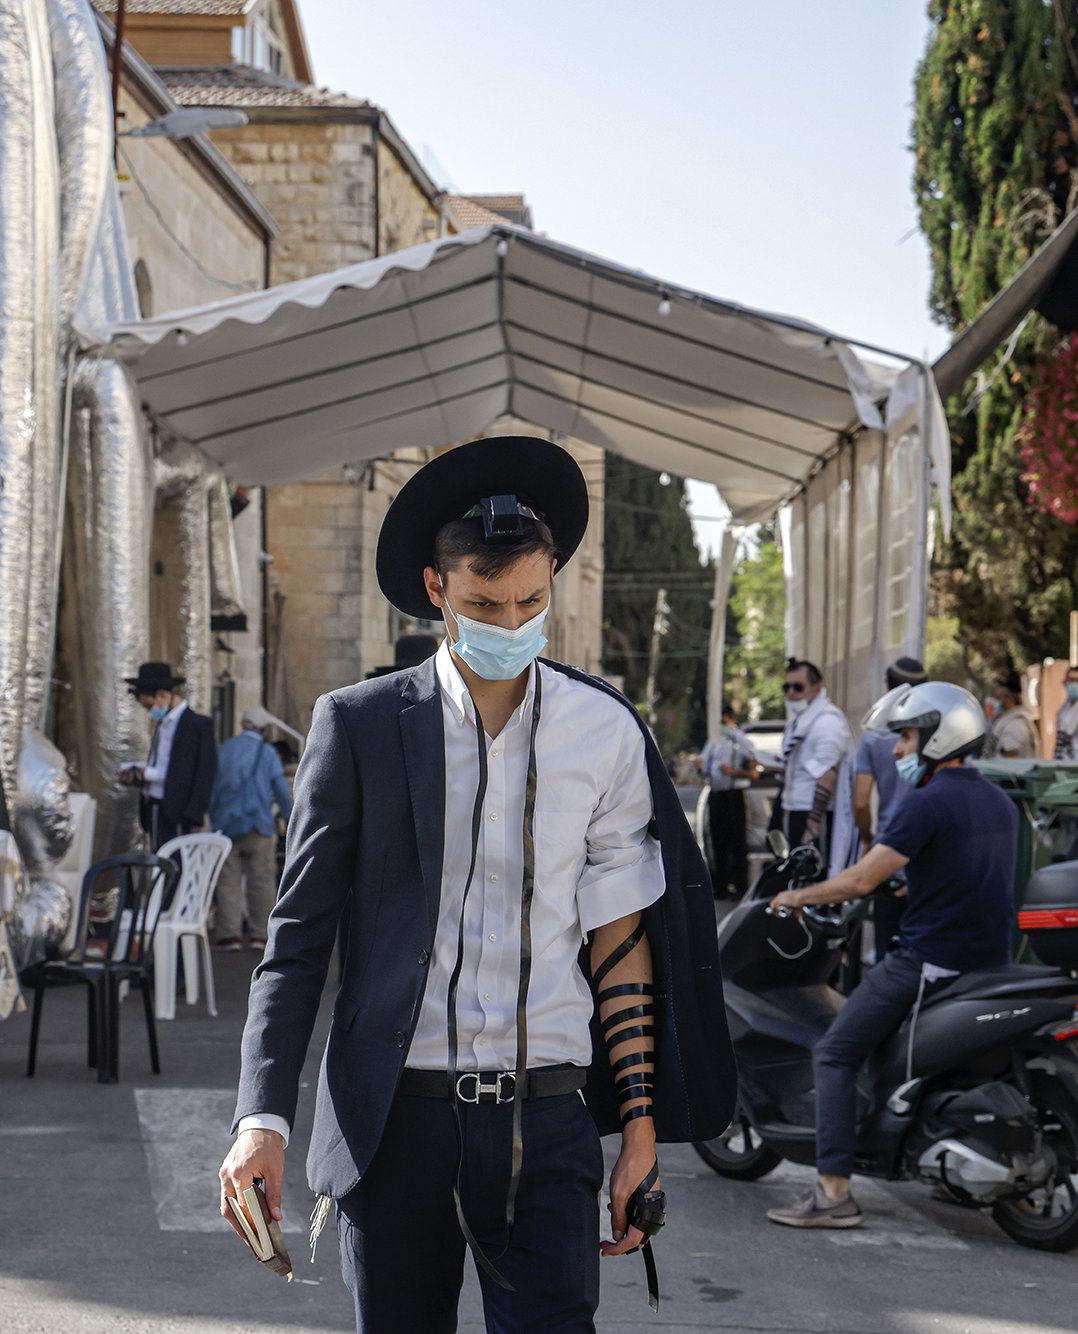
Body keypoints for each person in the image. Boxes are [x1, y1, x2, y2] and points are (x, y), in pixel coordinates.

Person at [218, 436, 732, 1332]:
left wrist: (641, 1127)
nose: (510, 623)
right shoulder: (361, 727)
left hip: (548, 1123)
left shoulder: (604, 732)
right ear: (436, 591)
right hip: (396, 1123)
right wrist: (260, 1117)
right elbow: (296, 944)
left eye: (531, 599)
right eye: (484, 603)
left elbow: (621, 940)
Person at [764, 681, 1016, 1228]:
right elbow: (963, 871)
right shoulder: (998, 800)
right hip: (986, 964)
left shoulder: (924, 803)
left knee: (833, 1052)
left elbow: (857, 880)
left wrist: (795, 896)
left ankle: (832, 1193)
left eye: (906, 736)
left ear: (938, 736)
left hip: (928, 964)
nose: (899, 749)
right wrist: (906, 884)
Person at [852, 657, 927, 958]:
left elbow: (860, 801)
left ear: (887, 687)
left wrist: (868, 838)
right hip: (924, 852)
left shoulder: (873, 737)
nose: (899, 748)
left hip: (889, 850)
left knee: (888, 950)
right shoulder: (934, 736)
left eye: (905, 740)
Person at [209, 705, 294, 951]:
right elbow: (279, 788)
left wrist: (215, 817)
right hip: (259, 824)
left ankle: (230, 935)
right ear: (264, 728)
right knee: (262, 880)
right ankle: (260, 935)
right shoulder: (267, 753)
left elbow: (213, 790)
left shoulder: (224, 750)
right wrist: (289, 817)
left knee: (227, 880)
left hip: (226, 825)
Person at [120, 662, 217, 849]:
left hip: (178, 813)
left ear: (162, 695)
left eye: (149, 706)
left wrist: (193, 814)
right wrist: (138, 775)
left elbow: (204, 772)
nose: (150, 712)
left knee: (175, 865)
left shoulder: (197, 725)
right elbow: (162, 765)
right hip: (155, 807)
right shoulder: (163, 725)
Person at [773, 658, 853, 853]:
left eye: (798, 687)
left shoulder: (827, 722)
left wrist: (813, 824)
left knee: (814, 874)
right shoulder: (801, 720)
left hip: (815, 813)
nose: (791, 693)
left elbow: (828, 774)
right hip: (794, 807)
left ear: (816, 688)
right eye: (787, 687)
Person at [698, 705, 756, 898]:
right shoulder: (714, 742)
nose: (721, 726)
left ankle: (740, 885)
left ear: (731, 720)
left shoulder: (740, 741)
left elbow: (752, 766)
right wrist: (700, 766)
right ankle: (720, 885)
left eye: (723, 722)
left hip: (734, 794)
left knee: (737, 841)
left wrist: (733, 772)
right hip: (717, 794)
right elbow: (706, 766)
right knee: (718, 840)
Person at [984, 673, 1039, 759]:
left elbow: (1011, 755)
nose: (997, 702)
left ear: (1011, 699)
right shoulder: (1009, 720)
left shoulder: (1016, 724)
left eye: (999, 697)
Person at [1052, 664, 1078, 762]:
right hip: (1065, 763)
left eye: (1076, 680)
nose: (1073, 684)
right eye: (1071, 680)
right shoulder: (1064, 708)